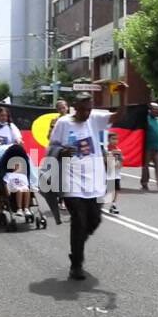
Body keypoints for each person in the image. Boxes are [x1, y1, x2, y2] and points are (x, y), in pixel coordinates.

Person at [49, 92, 123, 280]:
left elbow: (119, 115)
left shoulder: (94, 119)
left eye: (89, 109)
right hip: (71, 181)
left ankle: (78, 244)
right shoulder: (64, 123)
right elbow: (51, 147)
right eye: (83, 110)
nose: (86, 114)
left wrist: (123, 94)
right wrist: (62, 150)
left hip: (95, 181)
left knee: (94, 220)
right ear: (75, 107)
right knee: (79, 221)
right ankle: (76, 264)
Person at [141, 102, 158, 192]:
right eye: (154, 109)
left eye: (157, 109)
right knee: (145, 166)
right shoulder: (145, 119)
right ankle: (144, 182)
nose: (156, 111)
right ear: (150, 110)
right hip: (147, 147)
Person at [106, 132, 124, 215]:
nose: (115, 141)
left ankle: (113, 204)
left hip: (116, 174)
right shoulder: (106, 150)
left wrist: (120, 161)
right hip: (107, 174)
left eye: (116, 139)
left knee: (116, 189)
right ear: (108, 140)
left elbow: (121, 164)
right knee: (107, 191)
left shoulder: (119, 150)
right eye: (113, 139)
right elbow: (106, 162)